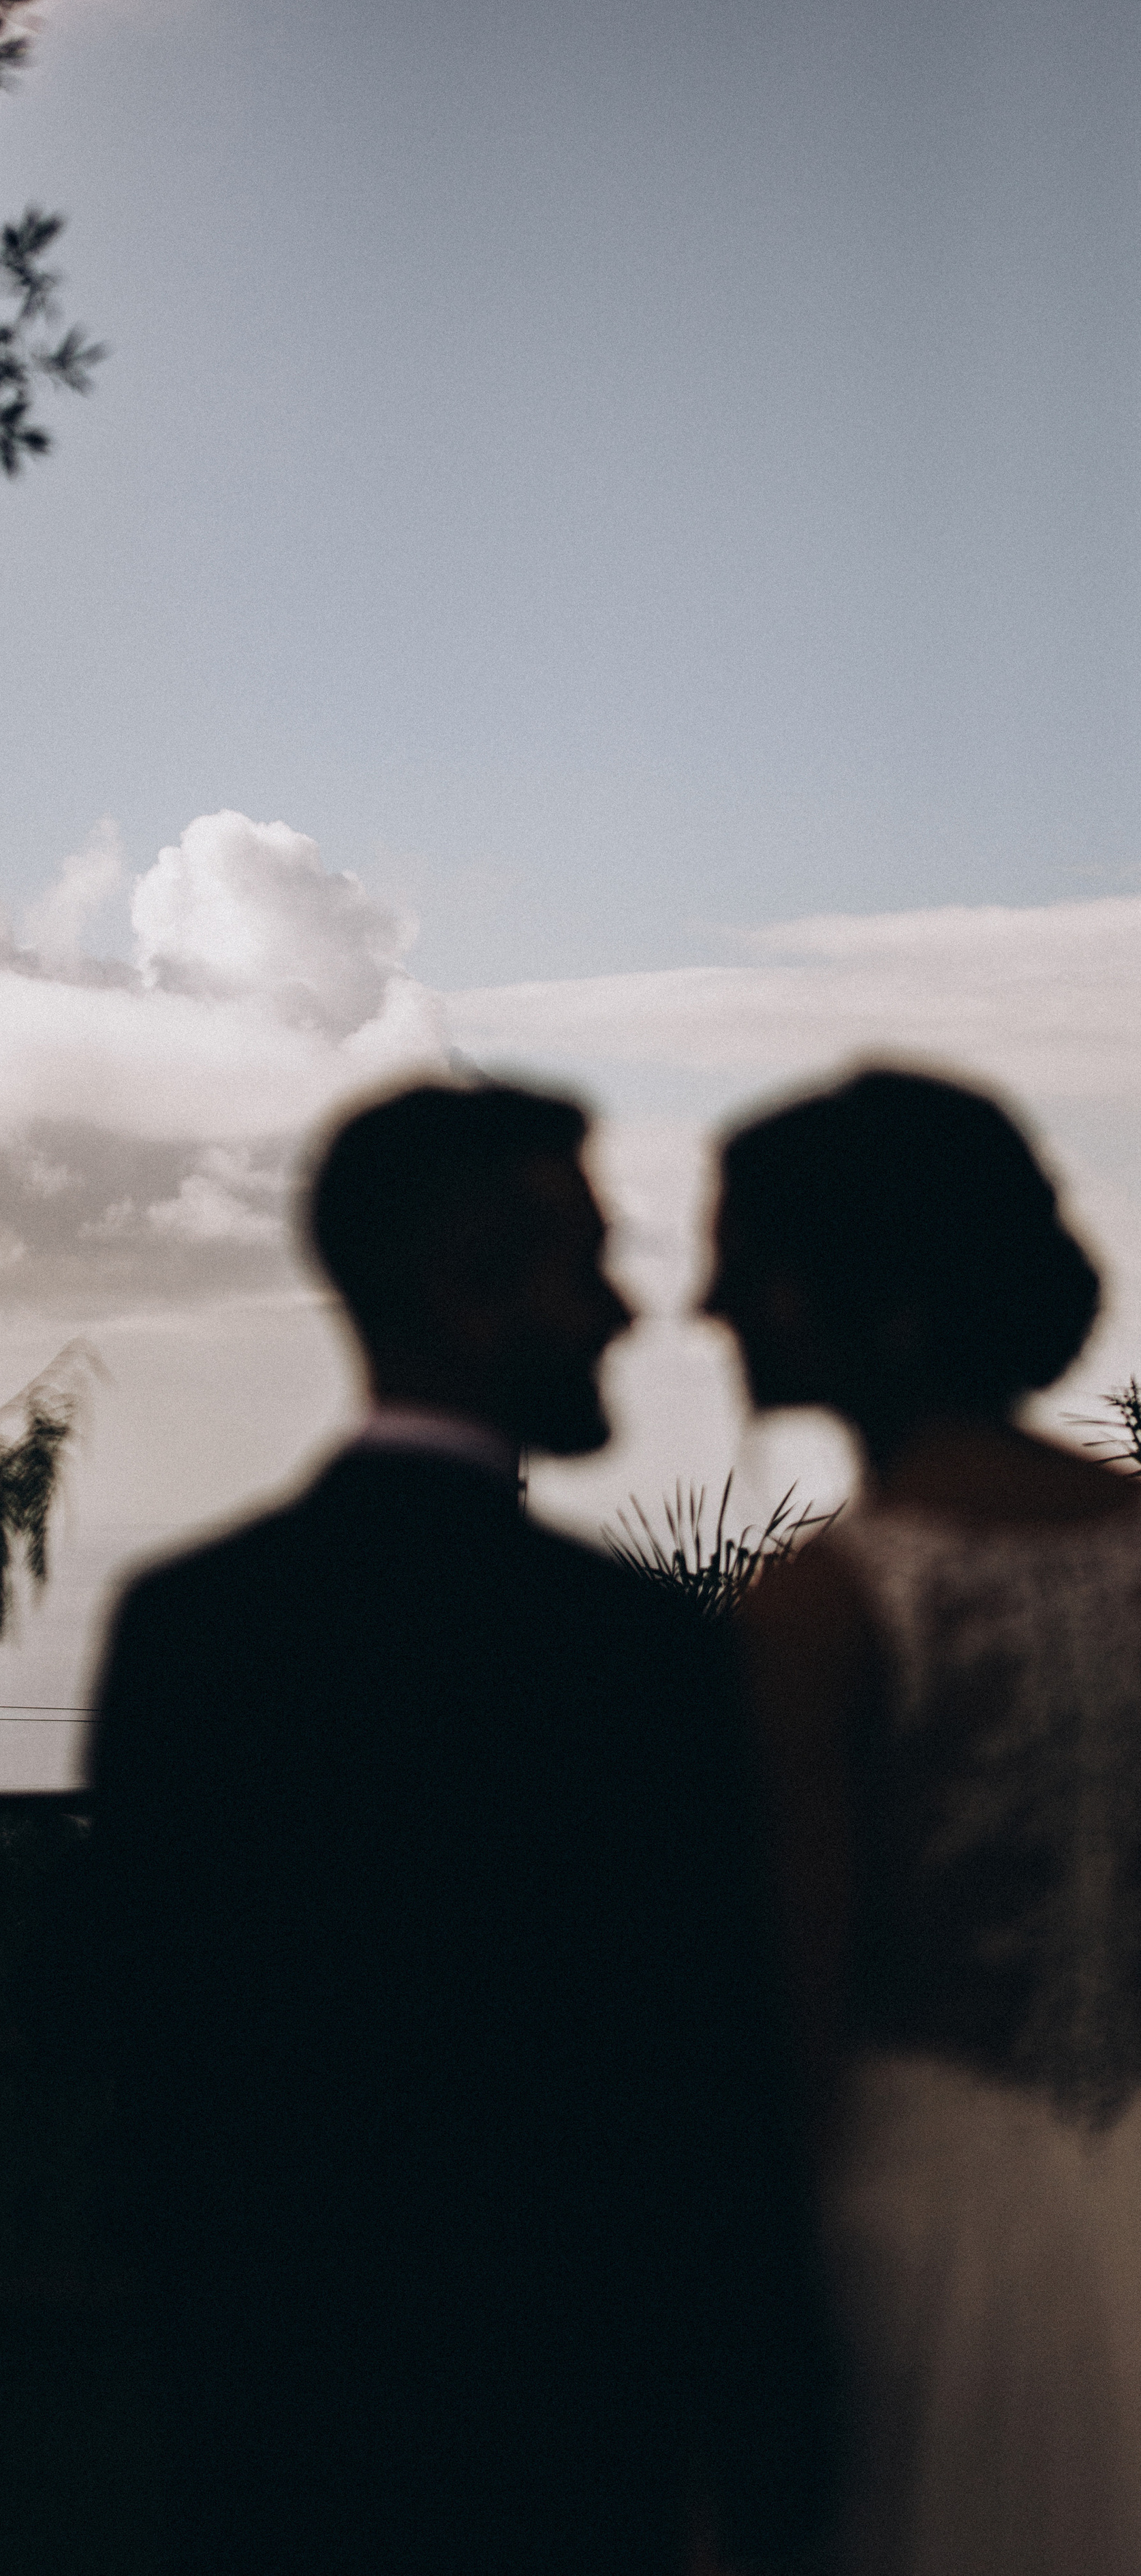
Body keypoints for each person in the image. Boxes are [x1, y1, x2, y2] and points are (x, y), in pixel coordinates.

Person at [88, 1080, 839, 2576]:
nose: (627, 1312)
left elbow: (139, 2056)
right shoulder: (633, 1648)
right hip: (574, 2430)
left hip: (275, 2429)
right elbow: (705, 2076)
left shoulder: (189, 1627)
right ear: (464, 1287)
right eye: (587, 1260)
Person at [704, 1064, 1141, 2576]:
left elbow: (786, 2018)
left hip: (925, 2240)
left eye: (741, 1257)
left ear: (861, 1300)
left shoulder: (821, 1607)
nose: (707, 1301)